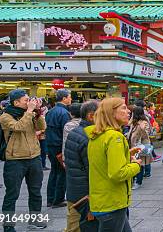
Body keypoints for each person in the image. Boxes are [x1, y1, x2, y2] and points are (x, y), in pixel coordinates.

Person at [84, 98, 141, 231]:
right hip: (112, 202)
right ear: (111, 112)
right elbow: (118, 173)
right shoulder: (115, 137)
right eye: (123, 108)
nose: (128, 112)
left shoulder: (97, 135)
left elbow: (102, 163)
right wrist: (136, 165)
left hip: (101, 200)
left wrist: (126, 154)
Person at [0, 89, 47, 231]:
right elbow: (18, 127)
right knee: (12, 195)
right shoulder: (5, 116)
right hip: (15, 160)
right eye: (26, 100)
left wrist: (37, 113)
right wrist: (30, 111)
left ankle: (35, 220)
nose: (29, 102)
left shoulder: (30, 113)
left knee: (36, 192)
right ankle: (8, 226)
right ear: (16, 102)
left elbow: (42, 127)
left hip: (34, 157)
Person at [64, 101, 99, 232]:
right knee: (77, 226)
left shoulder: (76, 132)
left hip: (75, 191)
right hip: (84, 195)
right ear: (91, 116)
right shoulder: (88, 137)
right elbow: (92, 169)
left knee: (73, 225)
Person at [45, 88, 72, 208]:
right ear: (64, 98)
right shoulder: (64, 113)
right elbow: (65, 132)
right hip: (59, 146)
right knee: (61, 172)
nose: (71, 99)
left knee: (54, 172)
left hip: (50, 145)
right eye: (69, 97)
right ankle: (58, 199)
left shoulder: (50, 111)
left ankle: (51, 198)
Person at [128, 107, 152, 190]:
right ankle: (134, 181)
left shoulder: (143, 122)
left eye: (133, 113)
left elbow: (146, 133)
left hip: (140, 146)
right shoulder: (134, 122)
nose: (131, 114)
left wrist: (142, 127)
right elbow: (128, 124)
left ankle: (138, 182)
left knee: (140, 164)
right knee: (134, 162)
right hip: (133, 146)